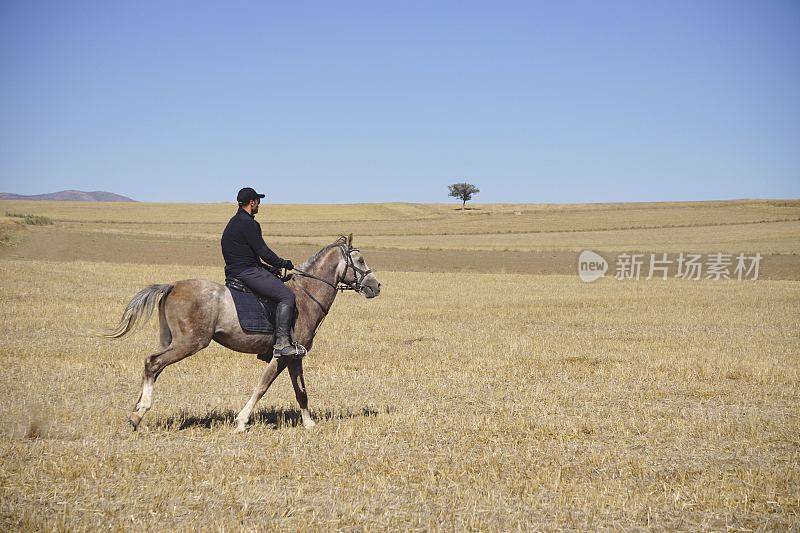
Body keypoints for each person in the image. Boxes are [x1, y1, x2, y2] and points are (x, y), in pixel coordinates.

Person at [221, 187, 304, 358]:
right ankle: (282, 343)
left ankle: (267, 346)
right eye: (258, 201)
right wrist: (283, 263)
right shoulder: (248, 223)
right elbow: (262, 251)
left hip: (239, 270)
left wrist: (271, 270)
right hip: (247, 272)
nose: (259, 204)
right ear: (252, 202)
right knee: (287, 296)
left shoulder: (234, 221)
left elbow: (248, 255)